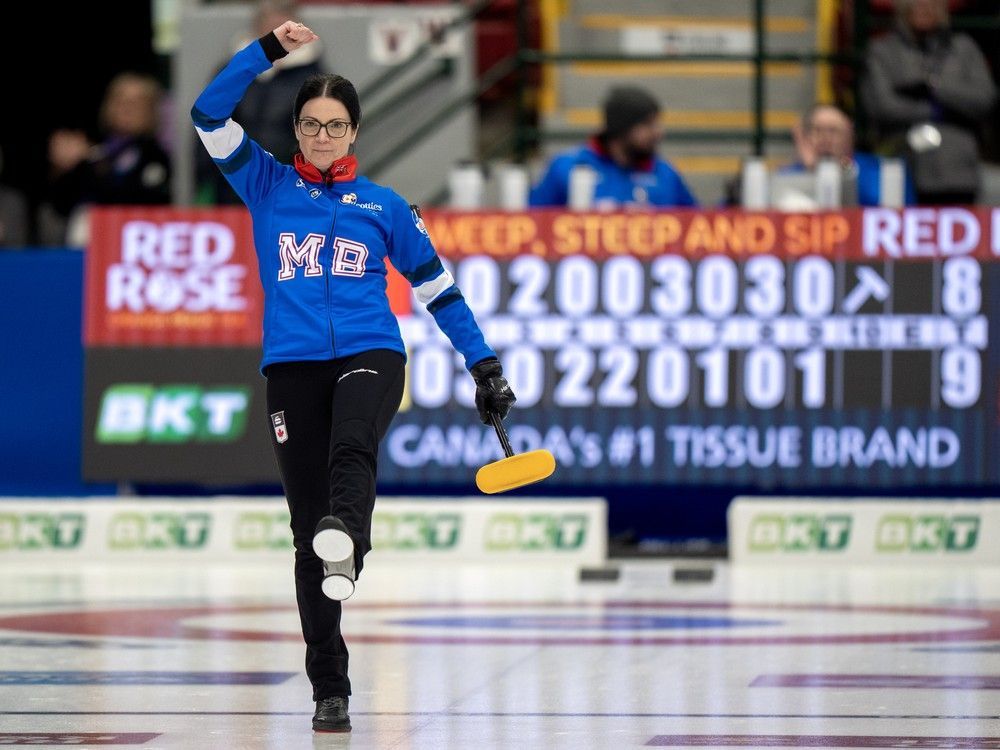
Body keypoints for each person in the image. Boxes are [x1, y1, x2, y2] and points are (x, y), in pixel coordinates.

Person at [191, 21, 516, 734]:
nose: (321, 136)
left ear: (354, 131)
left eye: (335, 125)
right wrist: (268, 51)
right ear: (298, 130)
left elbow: (440, 292)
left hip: (373, 351)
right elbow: (207, 114)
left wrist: (483, 362)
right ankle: (328, 687)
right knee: (309, 533)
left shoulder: (385, 207)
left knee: (351, 452)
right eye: (310, 124)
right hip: (291, 366)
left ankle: (351, 542)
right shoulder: (264, 184)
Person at [861, 0, 997, 205]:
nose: (924, 8)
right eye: (917, 3)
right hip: (901, 158)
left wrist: (934, 88)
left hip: (958, 165)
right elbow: (883, 106)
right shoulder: (882, 50)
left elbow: (984, 98)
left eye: (931, 3)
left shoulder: (963, 48)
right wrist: (936, 111)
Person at [196, 0, 323, 205]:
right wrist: (203, 179)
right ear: (257, 23)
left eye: (284, 17)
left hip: (289, 189)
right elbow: (208, 120)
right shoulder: (232, 70)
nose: (278, 27)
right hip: (232, 187)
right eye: (270, 17)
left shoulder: (315, 77)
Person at [38, 73, 171, 246]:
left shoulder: (156, 157)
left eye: (137, 102)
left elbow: (146, 203)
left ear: (151, 111)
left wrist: (98, 170)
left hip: (130, 249)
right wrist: (66, 168)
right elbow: (60, 204)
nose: (127, 107)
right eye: (120, 100)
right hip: (80, 251)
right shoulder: (95, 153)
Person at [529, 85, 697, 208]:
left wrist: (724, 205)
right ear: (621, 128)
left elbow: (697, 224)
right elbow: (533, 220)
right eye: (648, 125)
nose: (658, 133)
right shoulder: (567, 167)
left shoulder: (665, 173)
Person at [782, 103, 917, 206]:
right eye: (817, 130)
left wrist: (841, 171)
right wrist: (812, 171)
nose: (825, 138)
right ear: (806, 137)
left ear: (849, 134)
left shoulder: (879, 169)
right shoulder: (788, 175)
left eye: (833, 131)